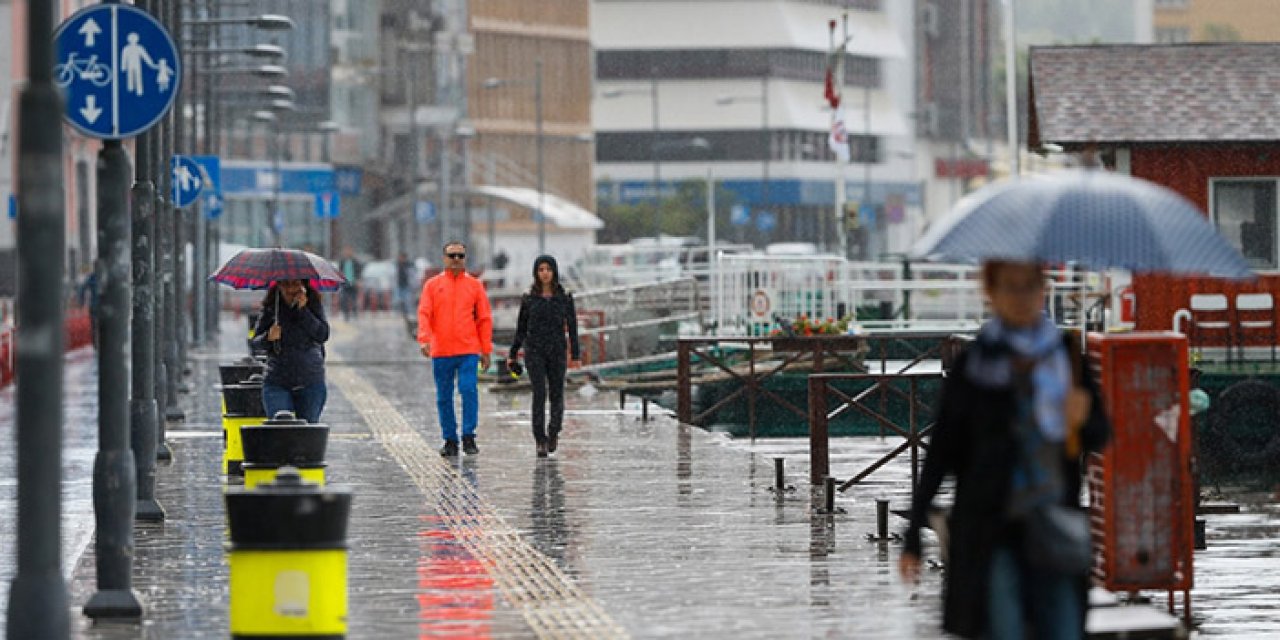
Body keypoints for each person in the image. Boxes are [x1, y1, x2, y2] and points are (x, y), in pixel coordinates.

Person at [899, 260, 1111, 640]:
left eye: (1030, 286)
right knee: (1003, 628)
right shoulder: (975, 364)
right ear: (991, 294)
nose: (1021, 297)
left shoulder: (1068, 359)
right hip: (990, 528)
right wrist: (914, 530)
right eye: (1010, 287)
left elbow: (1099, 435)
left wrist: (1082, 421)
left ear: (1043, 290)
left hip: (1054, 522)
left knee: (1063, 629)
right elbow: (942, 450)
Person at [418, 241, 493, 457]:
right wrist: (424, 339)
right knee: (444, 396)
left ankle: (469, 435)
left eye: (460, 256)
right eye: (452, 255)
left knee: (468, 390)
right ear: (444, 258)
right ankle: (449, 438)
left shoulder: (475, 286)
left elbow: (484, 318)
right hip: (441, 350)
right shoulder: (432, 286)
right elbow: (425, 313)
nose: (456, 260)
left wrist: (485, 349)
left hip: (468, 349)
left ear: (465, 259)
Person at [508, 256, 580, 457]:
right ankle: (539, 439)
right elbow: (521, 329)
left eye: (548, 269)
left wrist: (575, 353)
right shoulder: (529, 299)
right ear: (536, 273)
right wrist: (513, 353)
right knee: (539, 393)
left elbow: (572, 328)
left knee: (557, 393)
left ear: (554, 272)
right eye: (541, 269)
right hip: (534, 351)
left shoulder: (564, 299)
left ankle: (554, 431)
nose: (545, 273)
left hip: (557, 350)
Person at [250, 279, 330, 423]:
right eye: (286, 284)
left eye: (295, 284)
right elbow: (255, 344)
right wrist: (268, 337)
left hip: (310, 379)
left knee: (307, 434)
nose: (290, 289)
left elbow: (322, 335)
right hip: (277, 380)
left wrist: (304, 311)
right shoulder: (271, 308)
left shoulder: (313, 304)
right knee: (279, 428)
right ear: (279, 285)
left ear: (303, 285)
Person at [336, 246, 362, 321]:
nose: (347, 253)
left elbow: (358, 272)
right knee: (344, 299)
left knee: (354, 299)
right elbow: (339, 272)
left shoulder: (355, 261)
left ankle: (355, 313)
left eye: (349, 251)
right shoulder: (342, 262)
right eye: (346, 251)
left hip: (354, 283)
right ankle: (346, 314)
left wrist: (358, 280)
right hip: (345, 283)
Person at [394, 251, 415, 316]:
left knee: (407, 300)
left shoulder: (408, 265)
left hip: (406, 284)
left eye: (402, 257)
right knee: (397, 300)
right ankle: (398, 312)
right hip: (399, 284)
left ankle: (408, 312)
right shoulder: (397, 265)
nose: (401, 259)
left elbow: (411, 274)